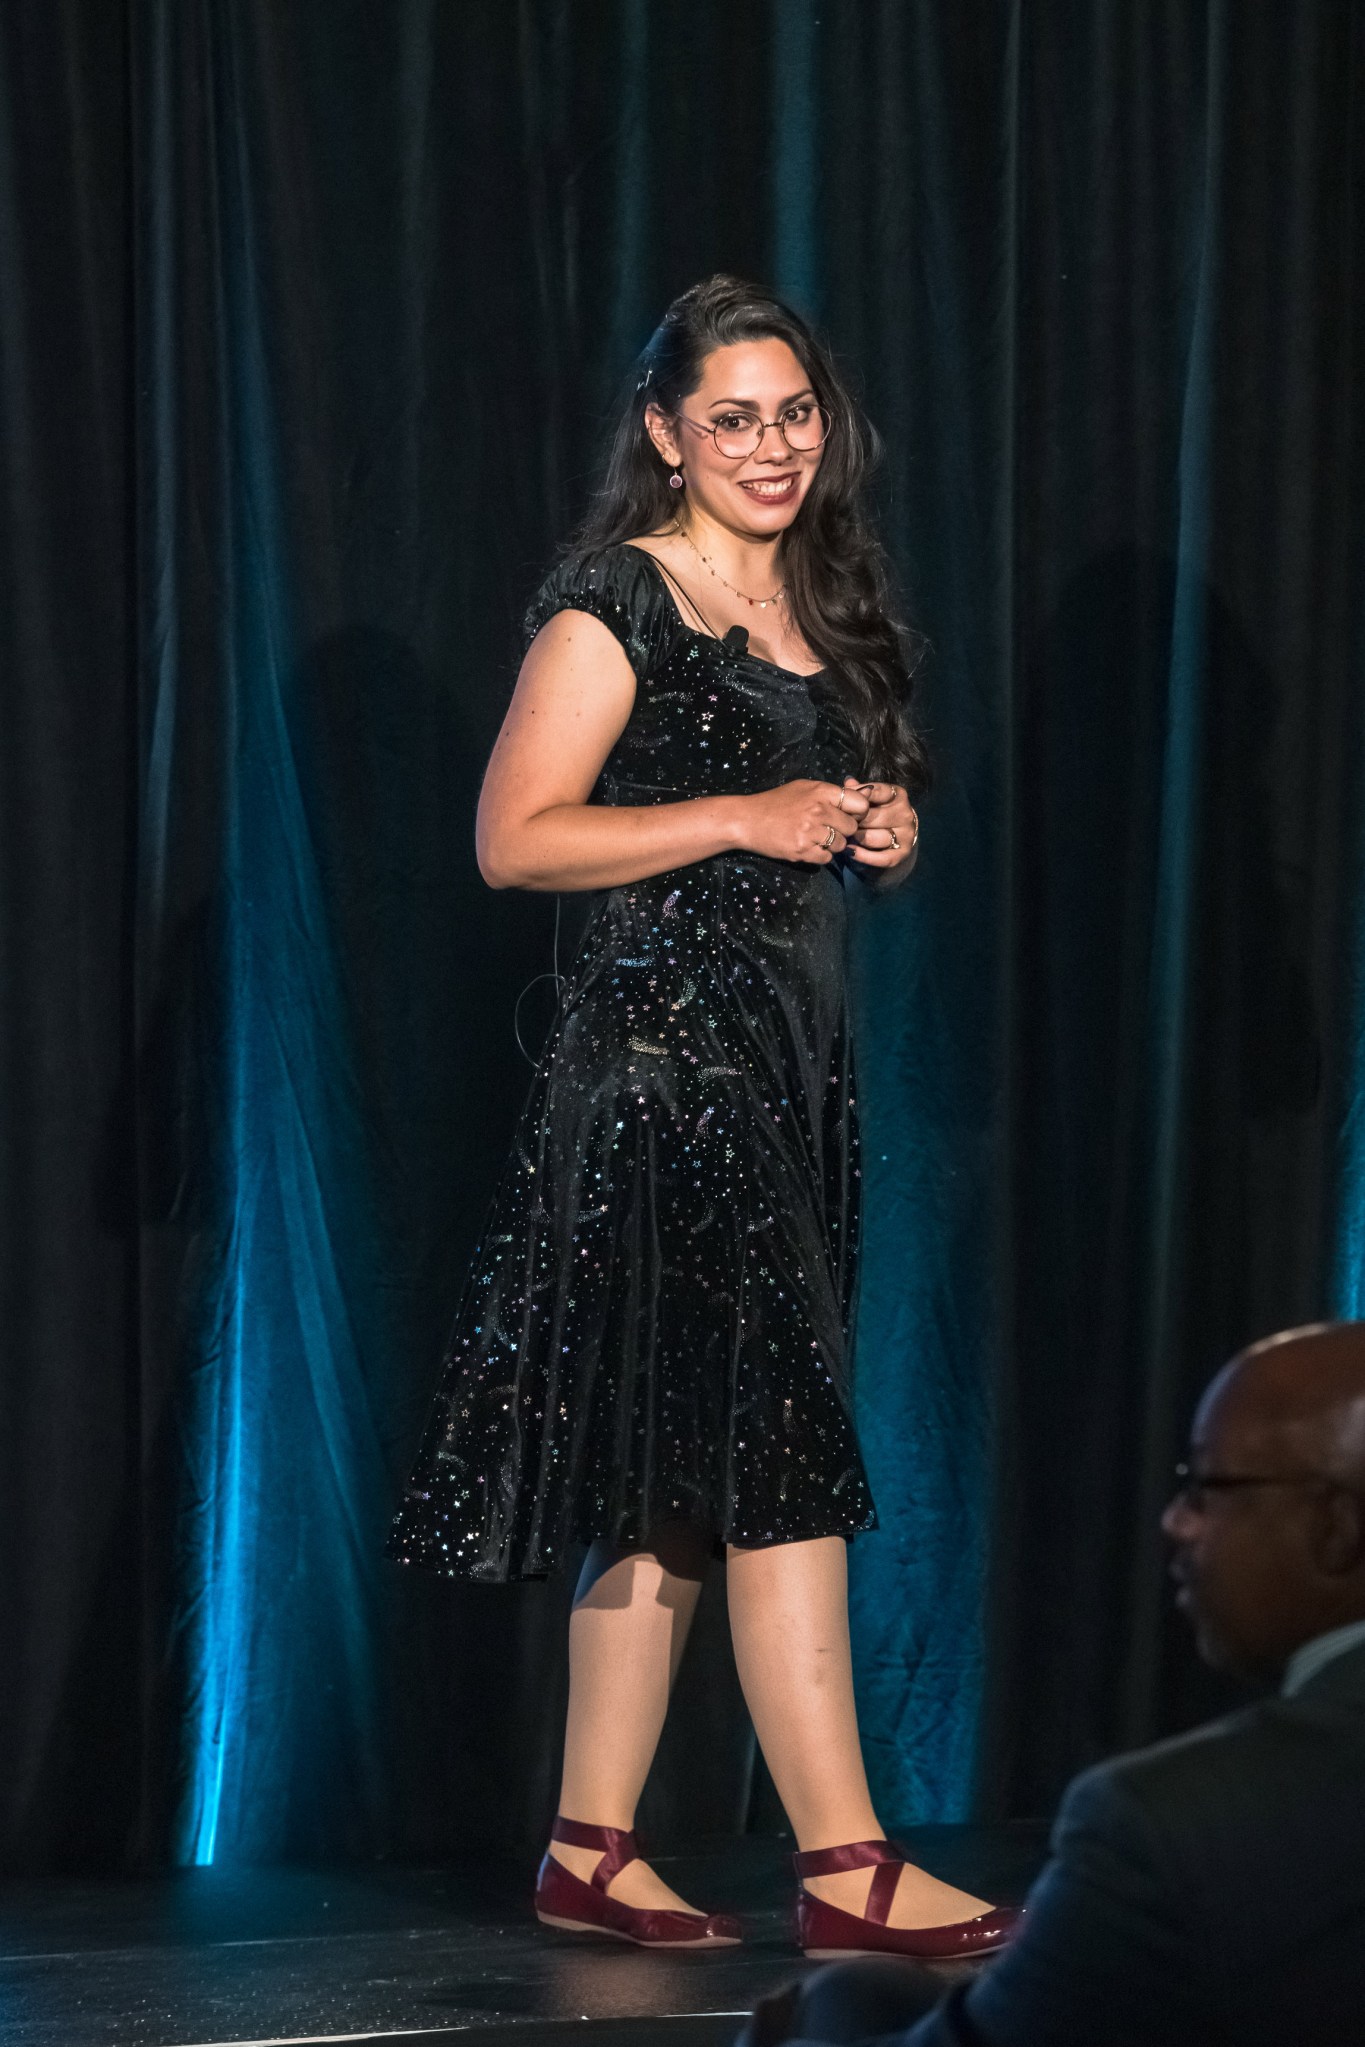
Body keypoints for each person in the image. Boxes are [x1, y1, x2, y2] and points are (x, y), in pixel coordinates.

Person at [386, 274, 1018, 1961]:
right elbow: (517, 839)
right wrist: (746, 806)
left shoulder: (824, 595)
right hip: (665, 1085)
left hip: (782, 1081)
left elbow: (810, 828)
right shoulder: (620, 599)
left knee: (668, 1478)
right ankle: (847, 1860)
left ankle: (593, 1847)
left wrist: (870, 832)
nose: (772, 447)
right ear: (663, 431)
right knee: (776, 1462)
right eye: (732, 418)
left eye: (795, 413)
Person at [740, 1319, 1365, 2043]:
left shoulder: (1168, 1827)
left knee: (844, 2000)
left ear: (1336, 1527)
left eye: (1206, 1487)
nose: (1174, 1523)